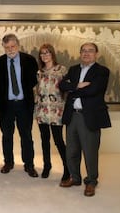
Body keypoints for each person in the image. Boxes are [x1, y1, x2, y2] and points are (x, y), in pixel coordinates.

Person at [59, 42, 111, 197]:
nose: (86, 53)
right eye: (84, 51)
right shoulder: (74, 69)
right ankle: (75, 178)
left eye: (90, 51)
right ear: (80, 53)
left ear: (96, 54)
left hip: (89, 116)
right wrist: (79, 85)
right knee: (72, 151)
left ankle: (91, 182)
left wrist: (73, 88)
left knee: (90, 152)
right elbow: (62, 85)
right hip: (72, 115)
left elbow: (94, 90)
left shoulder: (102, 71)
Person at [0, 33, 39, 177]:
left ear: (18, 45)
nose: (10, 50)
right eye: (7, 47)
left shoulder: (29, 60)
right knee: (7, 135)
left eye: (12, 46)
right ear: (3, 48)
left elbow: (33, 81)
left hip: (24, 104)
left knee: (26, 135)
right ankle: (8, 162)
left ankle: (29, 165)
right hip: (6, 105)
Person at [35, 44, 69, 181]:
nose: (44, 55)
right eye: (42, 53)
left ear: (52, 54)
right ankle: (47, 166)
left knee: (58, 140)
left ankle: (67, 169)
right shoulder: (39, 72)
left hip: (56, 111)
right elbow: (37, 90)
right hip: (42, 110)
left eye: (47, 53)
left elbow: (67, 88)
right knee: (44, 140)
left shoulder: (62, 70)